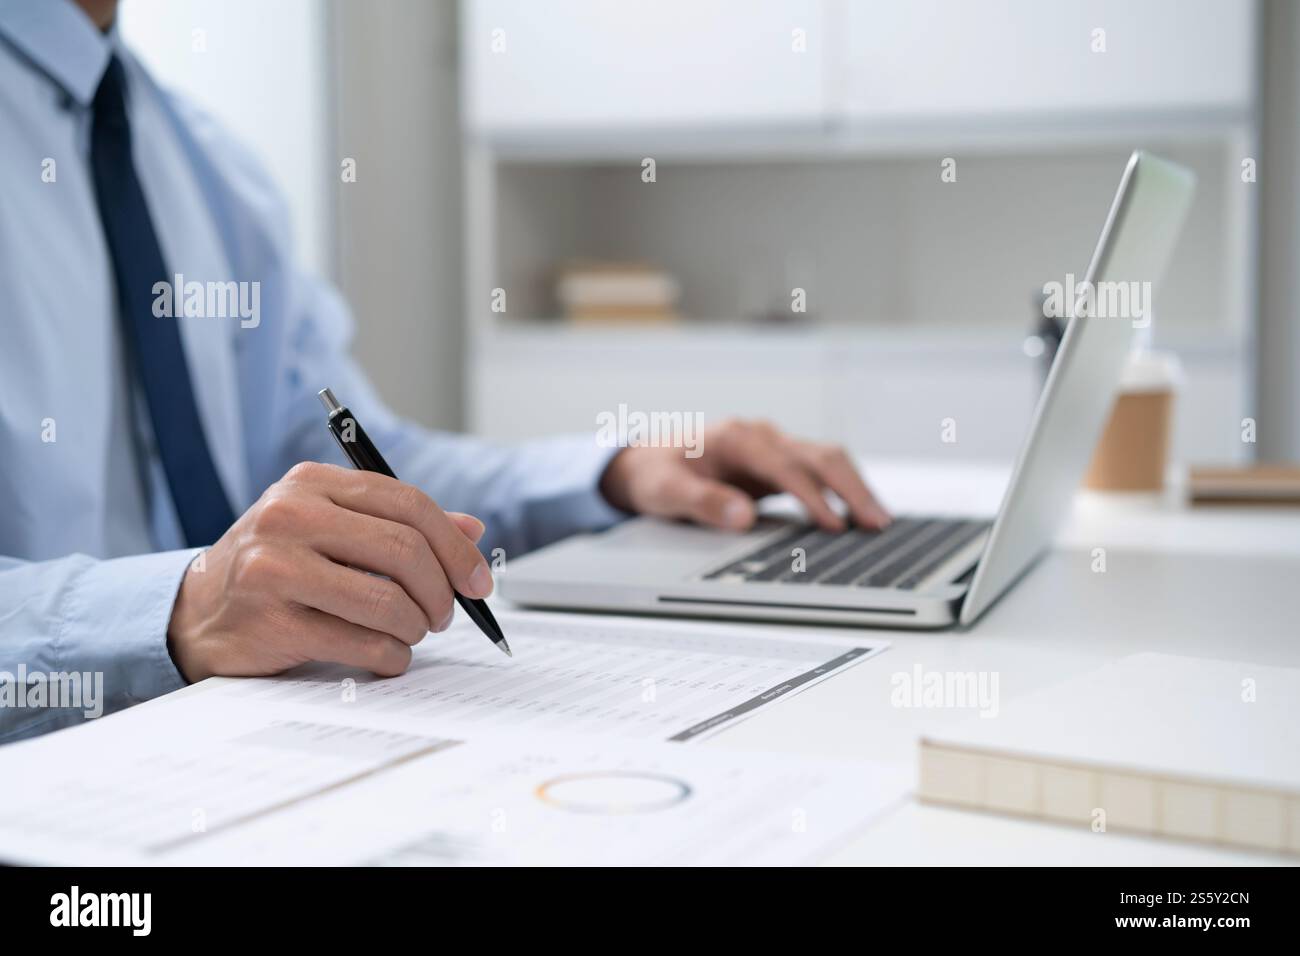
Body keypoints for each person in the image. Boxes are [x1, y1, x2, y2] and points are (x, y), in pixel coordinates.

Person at [0, 0, 889, 742]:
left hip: (262, 750)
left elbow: (359, 469)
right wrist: (176, 609)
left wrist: (617, 471)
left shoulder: (209, 169)